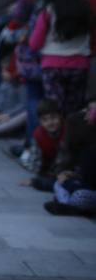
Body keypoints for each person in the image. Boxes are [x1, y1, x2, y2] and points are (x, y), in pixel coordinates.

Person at [29, 0, 92, 116]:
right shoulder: (85, 9)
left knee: (55, 110)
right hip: (80, 64)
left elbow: (34, 44)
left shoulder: (48, 12)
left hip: (52, 66)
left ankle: (58, 137)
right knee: (75, 109)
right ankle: (72, 136)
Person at [46, 87, 96, 217]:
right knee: (60, 183)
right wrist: (72, 174)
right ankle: (68, 205)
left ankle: (69, 206)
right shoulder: (87, 137)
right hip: (85, 184)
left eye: (90, 112)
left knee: (80, 195)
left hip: (88, 190)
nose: (86, 116)